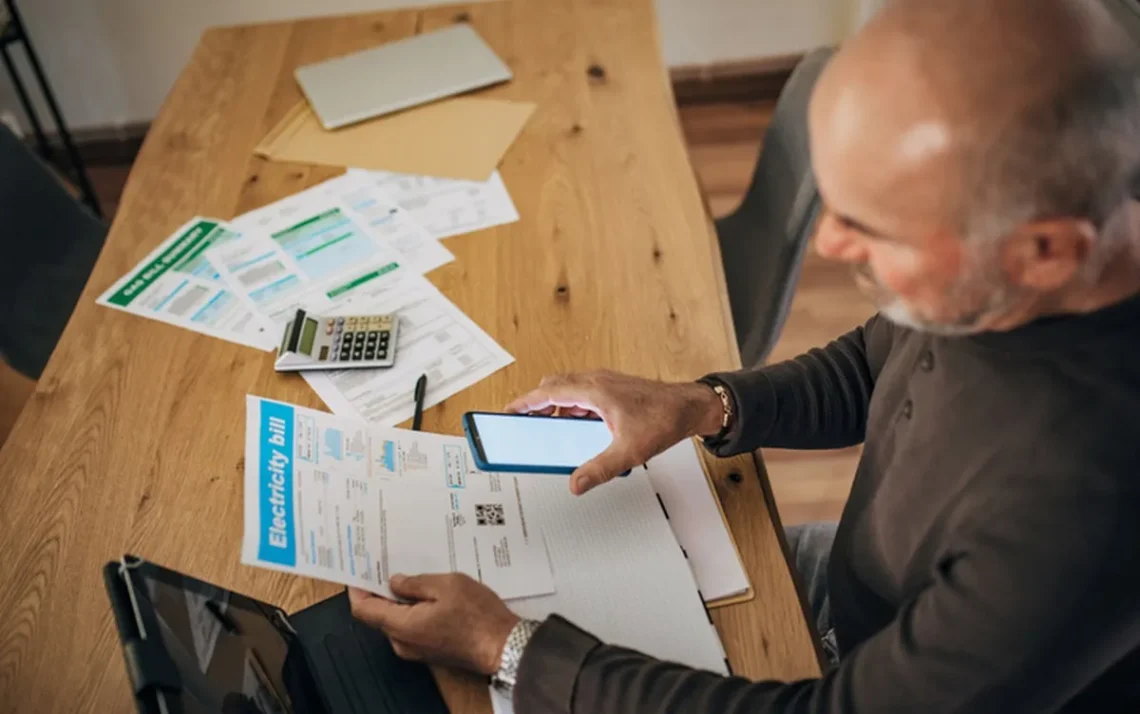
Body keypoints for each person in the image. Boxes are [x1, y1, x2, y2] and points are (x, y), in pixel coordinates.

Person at [348, 0, 1140, 711]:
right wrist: (701, 403)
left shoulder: (1082, 510)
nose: (826, 244)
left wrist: (507, 648)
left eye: (873, 230)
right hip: (858, 586)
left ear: (1045, 253)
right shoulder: (1018, 259)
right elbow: (875, 365)